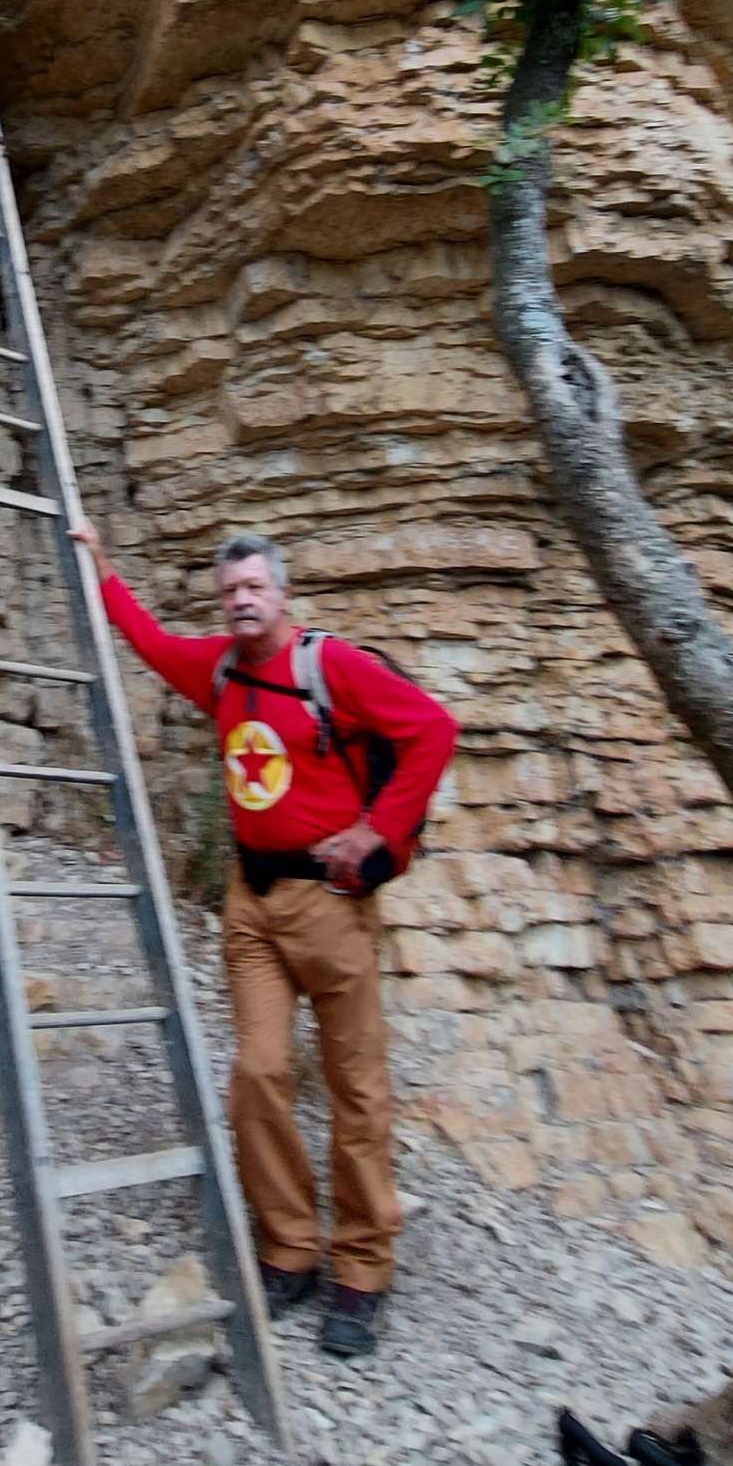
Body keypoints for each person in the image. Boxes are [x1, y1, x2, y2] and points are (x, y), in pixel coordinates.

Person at [70, 518, 457, 1361]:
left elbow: (433, 729)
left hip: (331, 903)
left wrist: (377, 831)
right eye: (230, 591)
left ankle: (363, 1269)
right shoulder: (218, 670)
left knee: (356, 1089)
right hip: (250, 901)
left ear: (282, 592)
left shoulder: (331, 666)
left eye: (254, 587)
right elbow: (149, 642)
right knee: (257, 1072)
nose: (241, 600)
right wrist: (100, 562)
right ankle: (289, 1249)